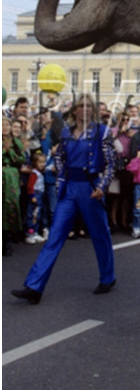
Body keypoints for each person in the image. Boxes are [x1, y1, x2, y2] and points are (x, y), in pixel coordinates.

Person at [11, 94, 117, 304]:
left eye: (89, 106)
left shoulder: (101, 131)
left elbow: (111, 162)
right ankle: (34, 286)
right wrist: (60, 180)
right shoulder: (67, 132)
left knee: (100, 234)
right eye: (81, 106)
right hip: (69, 188)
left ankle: (108, 277)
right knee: (55, 236)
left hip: (90, 187)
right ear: (75, 110)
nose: (85, 110)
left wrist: (102, 187)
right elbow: (60, 157)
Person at [2, 116, 25, 256]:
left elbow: (21, 159)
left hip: (11, 176)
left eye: (7, 125)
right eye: (2, 125)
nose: (5, 127)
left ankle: (7, 240)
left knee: (10, 207)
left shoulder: (16, 142)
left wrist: (10, 152)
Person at [24, 152, 47, 244]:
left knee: (37, 215)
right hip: (35, 195)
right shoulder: (34, 174)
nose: (42, 164)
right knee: (32, 215)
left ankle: (35, 232)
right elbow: (30, 186)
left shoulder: (40, 173)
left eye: (43, 162)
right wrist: (32, 196)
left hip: (40, 195)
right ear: (35, 163)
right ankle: (30, 234)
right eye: (40, 162)